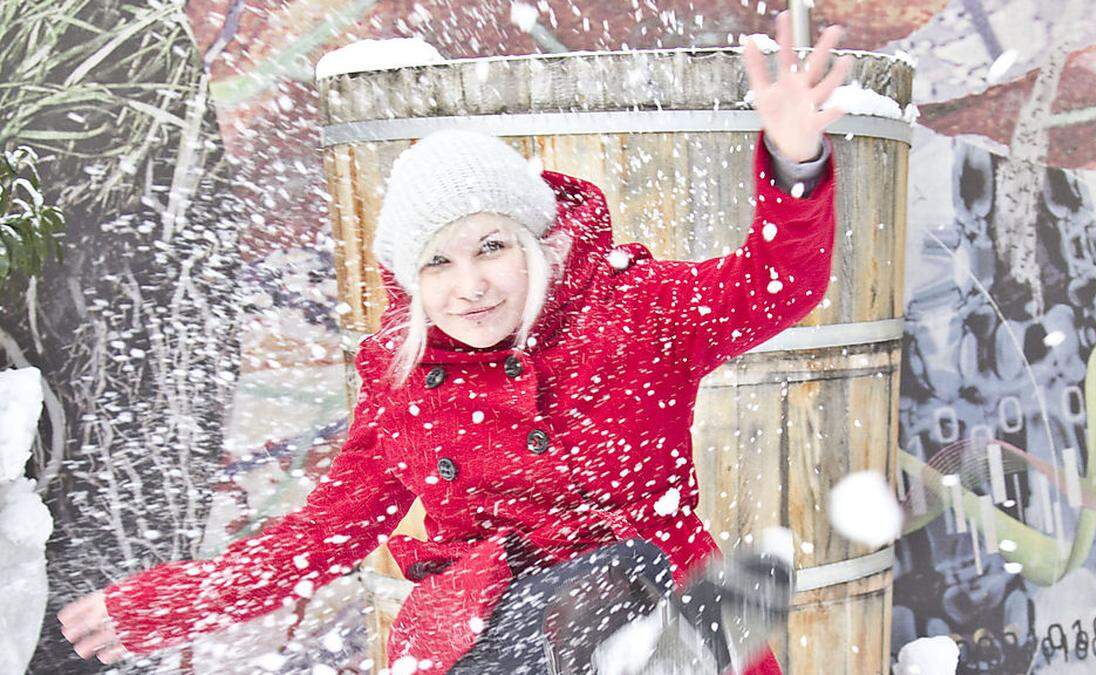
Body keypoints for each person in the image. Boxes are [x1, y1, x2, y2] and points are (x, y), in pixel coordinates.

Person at [59, 12, 851, 674]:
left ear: (537, 241)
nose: (469, 285)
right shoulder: (406, 376)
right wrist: (162, 604)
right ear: (412, 278)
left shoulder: (635, 310)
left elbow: (778, 282)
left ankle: (631, 634)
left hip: (656, 598)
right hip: (486, 632)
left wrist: (795, 161)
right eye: (438, 262)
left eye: (491, 247)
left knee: (630, 575)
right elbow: (319, 536)